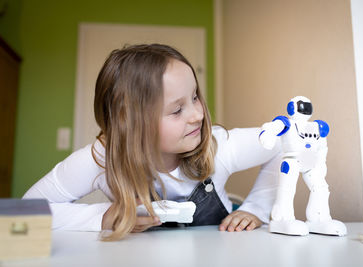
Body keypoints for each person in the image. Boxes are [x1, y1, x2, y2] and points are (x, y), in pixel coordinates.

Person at [23, 44, 281, 241]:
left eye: (194, 97)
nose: (198, 114)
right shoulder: (103, 158)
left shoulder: (220, 145)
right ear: (131, 124)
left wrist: (256, 208)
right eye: (177, 110)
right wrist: (106, 216)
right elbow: (26, 210)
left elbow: (282, 144)